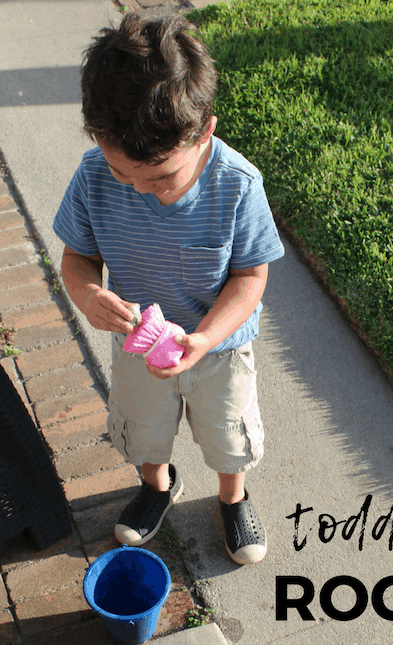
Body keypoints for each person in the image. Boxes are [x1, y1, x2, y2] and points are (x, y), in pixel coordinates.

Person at [53, 12, 284, 564]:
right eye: (123, 173)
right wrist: (88, 296)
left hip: (218, 351)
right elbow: (77, 258)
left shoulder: (237, 186)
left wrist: (204, 339)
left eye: (159, 177)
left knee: (229, 437)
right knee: (141, 432)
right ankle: (158, 486)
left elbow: (252, 275)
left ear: (203, 130)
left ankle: (233, 496)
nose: (140, 190)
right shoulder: (93, 177)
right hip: (139, 347)